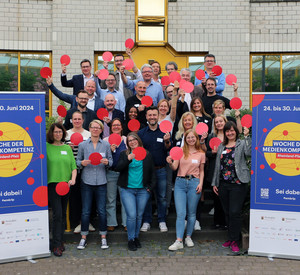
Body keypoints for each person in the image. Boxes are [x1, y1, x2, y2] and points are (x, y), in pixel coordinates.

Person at [212, 121, 251, 253]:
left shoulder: (241, 143)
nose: (230, 133)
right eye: (227, 131)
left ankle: (235, 240)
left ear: (236, 131)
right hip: (223, 185)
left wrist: (247, 137)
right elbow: (218, 166)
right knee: (228, 212)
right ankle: (230, 237)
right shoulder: (222, 146)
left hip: (238, 184)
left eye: (232, 130)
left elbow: (249, 153)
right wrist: (215, 183)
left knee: (235, 212)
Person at [76, 120, 113, 250]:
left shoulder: (106, 145)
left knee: (102, 211)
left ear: (101, 130)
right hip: (87, 181)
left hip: (102, 181)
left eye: (98, 128)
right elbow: (77, 161)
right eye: (93, 127)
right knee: (86, 211)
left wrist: (107, 162)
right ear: (90, 128)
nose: (96, 129)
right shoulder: (82, 145)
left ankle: (103, 237)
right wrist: (82, 163)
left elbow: (111, 162)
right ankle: (83, 237)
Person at [115, 132, 156, 251]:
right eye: (130, 141)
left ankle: (136, 237)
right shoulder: (124, 154)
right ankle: (131, 239)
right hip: (127, 189)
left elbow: (152, 172)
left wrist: (150, 188)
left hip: (143, 190)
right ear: (127, 143)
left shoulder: (147, 154)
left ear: (138, 140)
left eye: (134, 140)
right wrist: (128, 159)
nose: (132, 142)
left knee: (139, 215)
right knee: (132, 215)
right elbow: (118, 168)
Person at [167, 129, 205, 251]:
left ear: (196, 138)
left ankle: (188, 236)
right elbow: (174, 167)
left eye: (193, 137)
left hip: (194, 182)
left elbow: (202, 170)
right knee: (181, 213)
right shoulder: (180, 151)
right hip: (180, 183)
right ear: (185, 139)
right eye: (188, 137)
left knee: (192, 213)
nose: (191, 139)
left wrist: (201, 184)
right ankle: (179, 240)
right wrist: (170, 162)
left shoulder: (201, 153)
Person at [138, 106, 171, 232]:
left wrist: (167, 141)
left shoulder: (165, 132)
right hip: (146, 171)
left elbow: (168, 149)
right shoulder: (141, 133)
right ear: (146, 117)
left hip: (161, 169)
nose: (152, 117)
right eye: (150, 115)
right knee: (146, 196)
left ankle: (162, 220)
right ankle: (147, 221)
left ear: (158, 116)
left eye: (154, 115)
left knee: (162, 197)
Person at [46, 123, 77, 257]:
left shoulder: (67, 148)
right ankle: (56, 244)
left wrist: (73, 179)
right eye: (55, 132)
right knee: (57, 214)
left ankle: (60, 240)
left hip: (66, 186)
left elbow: (73, 166)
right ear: (51, 133)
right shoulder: (46, 147)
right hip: (53, 185)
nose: (58, 134)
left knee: (63, 214)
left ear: (63, 133)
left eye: (60, 132)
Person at [65, 111, 93, 233]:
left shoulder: (88, 134)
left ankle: (88, 221)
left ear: (83, 120)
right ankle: (77, 222)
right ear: (71, 120)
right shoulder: (66, 134)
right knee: (75, 197)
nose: (77, 121)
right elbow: (61, 151)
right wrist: (68, 148)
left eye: (79, 119)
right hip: (71, 170)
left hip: (86, 169)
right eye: (74, 119)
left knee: (87, 196)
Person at [103, 118, 127, 232]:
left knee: (125, 199)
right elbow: (103, 158)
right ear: (110, 127)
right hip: (110, 173)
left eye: (118, 125)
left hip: (124, 173)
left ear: (121, 127)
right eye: (114, 125)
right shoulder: (105, 140)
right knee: (110, 199)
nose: (116, 127)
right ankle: (111, 222)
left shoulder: (126, 140)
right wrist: (109, 150)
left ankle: (126, 222)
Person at [206, 115, 228, 230]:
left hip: (226, 171)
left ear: (225, 122)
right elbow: (206, 153)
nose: (219, 124)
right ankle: (217, 222)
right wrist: (213, 153)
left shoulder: (229, 136)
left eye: (221, 121)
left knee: (224, 198)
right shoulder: (211, 136)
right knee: (216, 198)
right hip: (214, 170)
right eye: (216, 122)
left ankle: (225, 222)